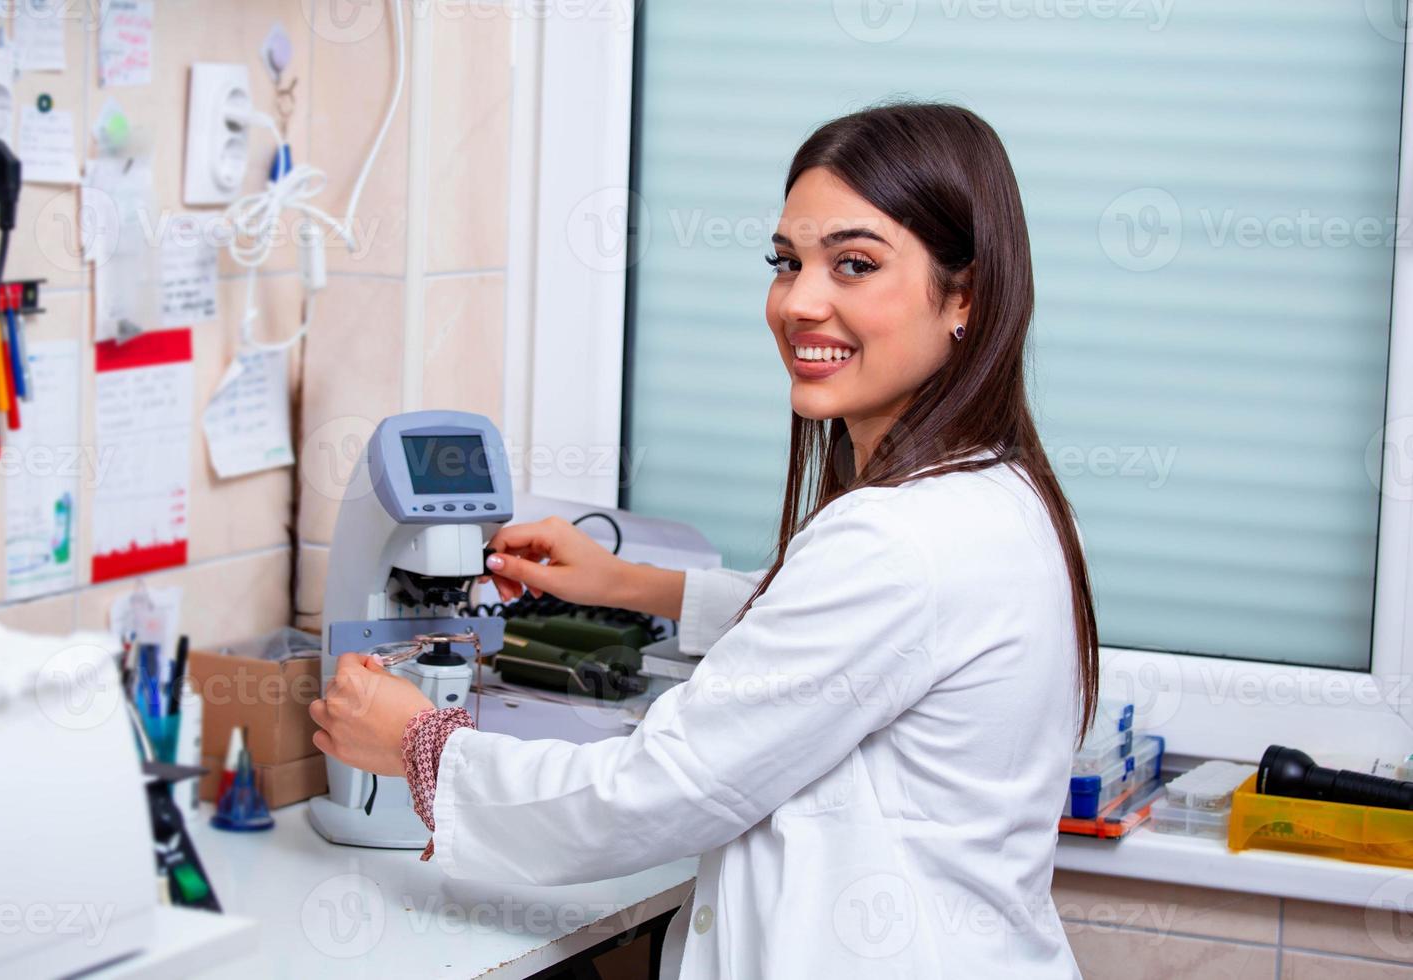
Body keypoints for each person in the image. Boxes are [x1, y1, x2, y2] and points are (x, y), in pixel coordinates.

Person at [310, 101, 1098, 978]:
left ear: (966, 296)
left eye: (855, 264)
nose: (800, 302)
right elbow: (840, 639)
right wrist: (631, 586)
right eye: (787, 262)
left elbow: (653, 793)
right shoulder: (996, 492)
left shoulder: (894, 540)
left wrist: (422, 746)